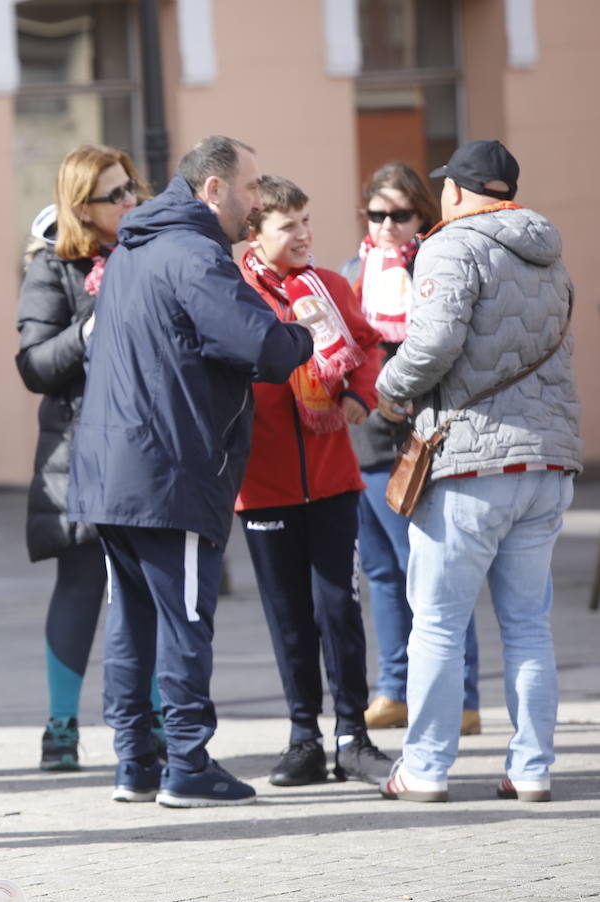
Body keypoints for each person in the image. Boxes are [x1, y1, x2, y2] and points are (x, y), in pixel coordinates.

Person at [68, 136, 314, 807]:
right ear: (212, 190)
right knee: (181, 619)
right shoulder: (193, 252)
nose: (258, 200)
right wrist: (303, 330)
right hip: (167, 469)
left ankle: (135, 765)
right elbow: (257, 341)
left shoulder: (135, 248)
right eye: (251, 186)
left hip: (116, 470)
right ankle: (187, 766)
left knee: (134, 621)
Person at [377, 140, 580, 803]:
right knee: (527, 624)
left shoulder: (450, 244)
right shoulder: (550, 256)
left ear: (459, 192)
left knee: (436, 620)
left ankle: (426, 770)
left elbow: (433, 342)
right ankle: (531, 770)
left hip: (471, 462)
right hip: (548, 460)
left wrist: (388, 384)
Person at [235, 176, 393, 787]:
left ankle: (352, 735)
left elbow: (368, 344)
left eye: (306, 222)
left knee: (338, 608)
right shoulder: (235, 293)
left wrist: (358, 392)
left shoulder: (329, 285)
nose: (303, 236)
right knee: (288, 615)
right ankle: (304, 738)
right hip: (264, 484)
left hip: (332, 477)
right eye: (287, 226)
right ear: (255, 233)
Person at [14, 145, 164, 777]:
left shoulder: (153, 253)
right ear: (82, 207)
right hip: (79, 451)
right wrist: (89, 330)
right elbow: (34, 365)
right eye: (116, 194)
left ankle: (155, 718)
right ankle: (61, 727)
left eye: (132, 188)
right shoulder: (54, 267)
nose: (131, 201)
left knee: (149, 587)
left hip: (149, 447)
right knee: (80, 585)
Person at [341, 163, 481, 737]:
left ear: (423, 216)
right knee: (380, 572)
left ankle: (465, 697)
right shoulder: (354, 272)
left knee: (431, 574)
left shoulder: (434, 267)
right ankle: (394, 690)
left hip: (418, 444)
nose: (388, 226)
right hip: (361, 443)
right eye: (378, 215)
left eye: (401, 215)